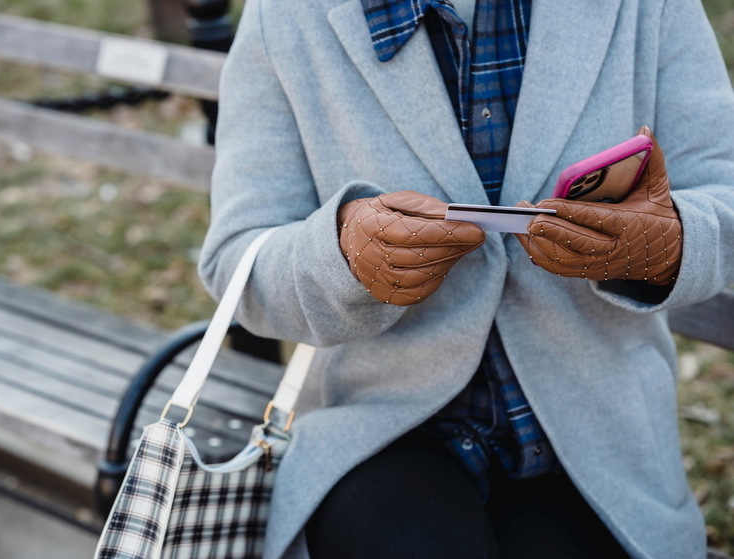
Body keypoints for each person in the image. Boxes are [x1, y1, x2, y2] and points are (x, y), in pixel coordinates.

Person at [198, 0, 734, 557]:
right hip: (376, 430)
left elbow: (723, 193)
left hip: (603, 443)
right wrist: (341, 255)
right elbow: (239, 260)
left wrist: (666, 242)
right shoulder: (285, 16)